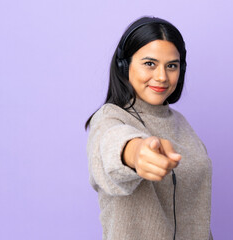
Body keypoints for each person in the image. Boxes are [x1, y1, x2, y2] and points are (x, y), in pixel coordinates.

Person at [86, 16, 213, 240]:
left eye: (171, 66)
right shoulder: (109, 118)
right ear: (124, 65)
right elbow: (112, 144)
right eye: (149, 64)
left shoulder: (182, 123)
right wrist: (135, 153)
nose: (162, 77)